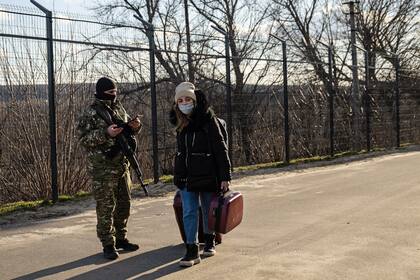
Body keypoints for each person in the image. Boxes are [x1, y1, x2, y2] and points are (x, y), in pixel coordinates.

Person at [77, 77, 142, 260]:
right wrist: (106, 133)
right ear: (101, 92)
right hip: (103, 168)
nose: (114, 95)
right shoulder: (91, 113)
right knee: (106, 207)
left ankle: (121, 238)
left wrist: (135, 127)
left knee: (124, 204)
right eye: (110, 93)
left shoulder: (118, 108)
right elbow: (84, 140)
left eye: (115, 92)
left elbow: (127, 129)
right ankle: (108, 243)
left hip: (122, 165)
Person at [169, 81, 231, 267]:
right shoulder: (179, 123)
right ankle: (191, 250)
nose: (184, 102)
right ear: (176, 102)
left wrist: (225, 176)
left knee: (207, 209)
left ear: (195, 101)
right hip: (186, 176)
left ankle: (210, 240)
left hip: (207, 173)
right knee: (189, 211)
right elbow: (181, 153)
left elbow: (221, 149)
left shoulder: (208, 120)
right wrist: (178, 174)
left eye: (188, 99)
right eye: (181, 100)